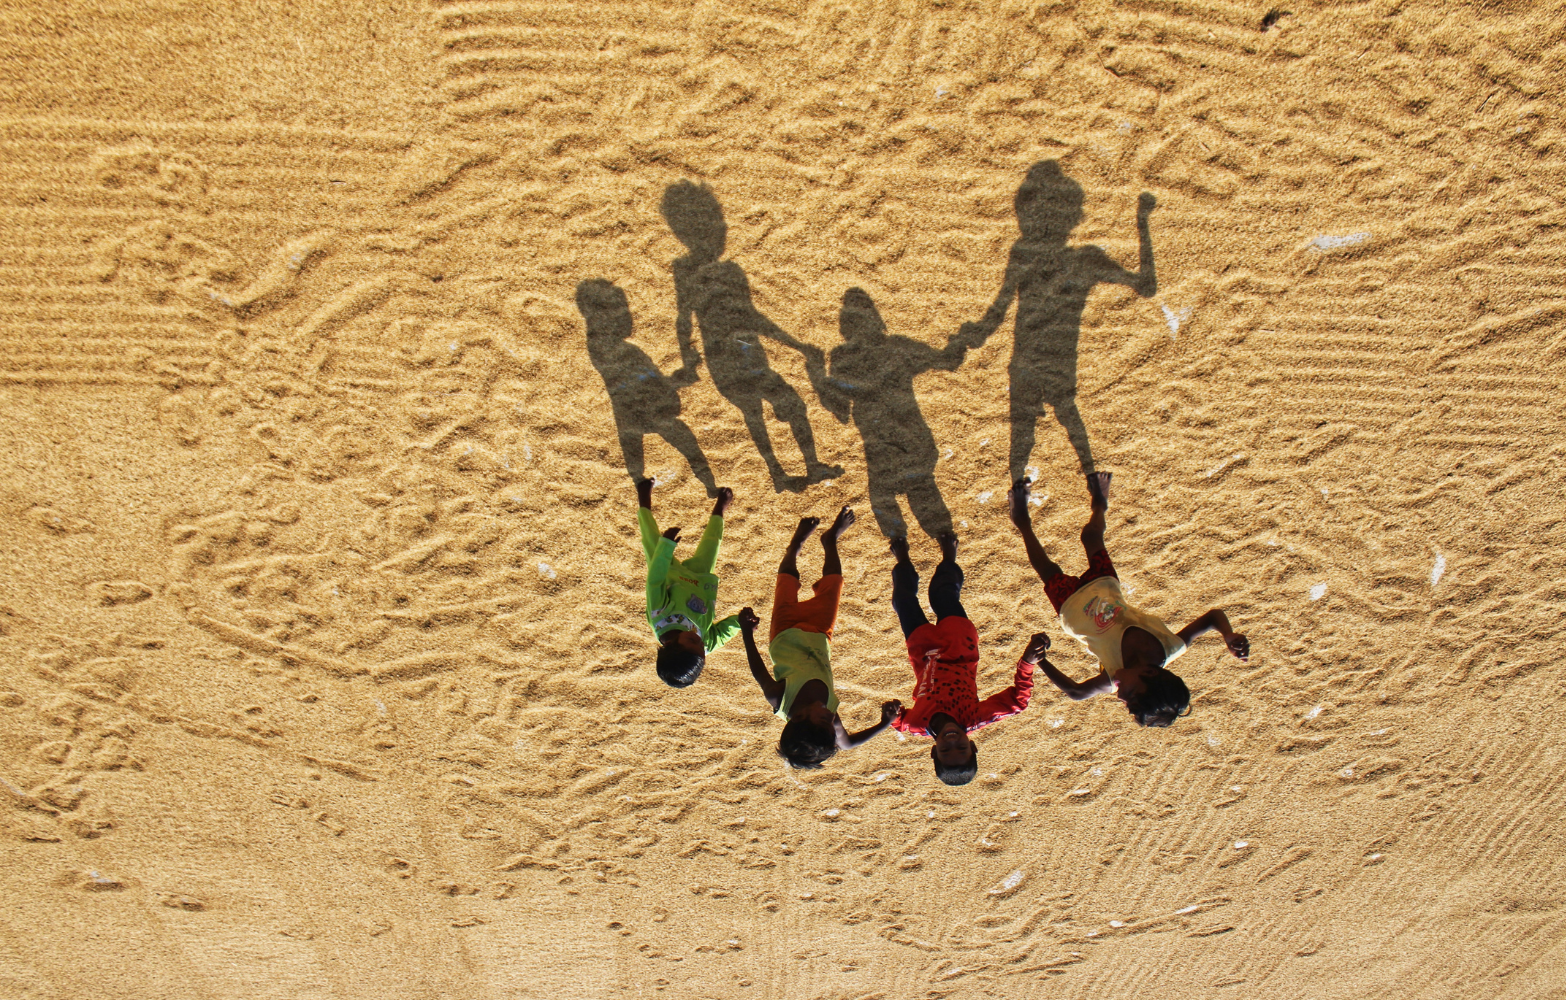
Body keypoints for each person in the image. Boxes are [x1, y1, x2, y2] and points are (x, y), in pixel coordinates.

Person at [956, 162, 1157, 481]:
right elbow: (1146, 285)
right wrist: (1142, 221)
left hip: (1026, 364)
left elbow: (997, 311)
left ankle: (1025, 494)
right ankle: (1093, 487)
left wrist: (974, 334)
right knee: (1065, 418)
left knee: (1025, 436)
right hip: (1055, 364)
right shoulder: (1084, 259)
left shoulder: (1027, 252)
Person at [1009, 473, 1250, 726]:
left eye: (1126, 703)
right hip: (1105, 586)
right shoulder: (1171, 646)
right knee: (1090, 536)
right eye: (1131, 694)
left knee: (1048, 569)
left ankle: (1022, 521)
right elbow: (1214, 617)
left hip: (1072, 607)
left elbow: (1076, 692)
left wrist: (1040, 660)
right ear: (1149, 672)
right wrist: (1228, 635)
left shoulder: (1114, 676)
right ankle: (1100, 504)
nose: (1120, 695)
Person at [661, 180, 842, 492]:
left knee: (757, 413)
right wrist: (795, 344)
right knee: (783, 406)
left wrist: (688, 358)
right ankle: (800, 468)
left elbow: (684, 319)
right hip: (741, 356)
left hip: (732, 358)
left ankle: (782, 473)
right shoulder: (719, 272)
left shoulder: (691, 270)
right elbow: (749, 319)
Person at [738, 507, 899, 768]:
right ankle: (830, 540)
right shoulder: (828, 718)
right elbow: (848, 744)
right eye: (830, 724)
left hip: (785, 631)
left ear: (799, 717)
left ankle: (795, 546)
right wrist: (884, 723)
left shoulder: (780, 699)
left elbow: (758, 671)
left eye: (822, 719)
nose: (829, 717)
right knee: (833, 583)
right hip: (820, 635)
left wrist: (746, 632)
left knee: (787, 580)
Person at [886, 531, 1039, 785]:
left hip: (922, 651)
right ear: (974, 747)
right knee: (942, 594)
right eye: (962, 748)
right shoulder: (975, 718)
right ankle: (949, 555)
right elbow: (1018, 702)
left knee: (903, 600)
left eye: (945, 751)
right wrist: (1028, 663)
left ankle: (903, 560)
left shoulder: (916, 725)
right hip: (959, 646)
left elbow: (898, 720)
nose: (952, 741)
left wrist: (890, 712)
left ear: (934, 751)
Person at [813, 287, 966, 539]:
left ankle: (902, 550)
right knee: (919, 487)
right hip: (913, 441)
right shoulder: (897, 347)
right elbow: (949, 361)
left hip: (880, 446)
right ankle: (946, 547)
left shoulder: (841, 357)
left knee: (884, 497)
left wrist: (819, 378)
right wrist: (958, 343)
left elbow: (840, 412)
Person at [580, 278, 717, 495]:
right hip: (650, 413)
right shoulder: (619, 351)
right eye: (621, 312)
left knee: (638, 460)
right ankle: (711, 487)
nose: (628, 318)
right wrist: (679, 379)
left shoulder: (607, 348)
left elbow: (647, 381)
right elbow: (647, 385)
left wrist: (677, 378)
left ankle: (706, 487)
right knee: (688, 448)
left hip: (632, 415)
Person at [638, 477, 740, 687]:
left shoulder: (659, 617)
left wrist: (665, 547)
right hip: (700, 580)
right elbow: (719, 635)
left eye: (693, 642)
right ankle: (720, 509)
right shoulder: (702, 644)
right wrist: (740, 623)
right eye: (702, 648)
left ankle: (644, 499)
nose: (700, 642)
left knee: (651, 539)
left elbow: (654, 582)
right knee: (712, 544)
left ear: (672, 645)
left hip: (669, 571)